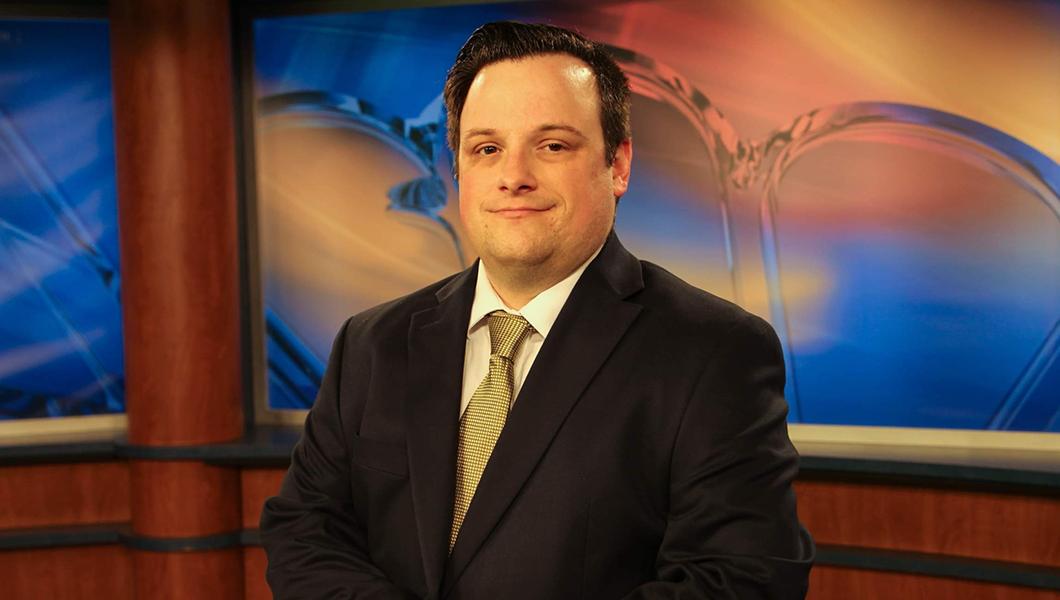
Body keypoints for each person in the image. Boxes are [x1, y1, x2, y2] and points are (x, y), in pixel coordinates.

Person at [261, 21, 814, 599]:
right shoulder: (371, 343)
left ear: (618, 164)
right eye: (487, 149)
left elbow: (742, 581)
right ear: (457, 168)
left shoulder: (716, 350)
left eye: (552, 145)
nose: (514, 177)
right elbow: (305, 531)